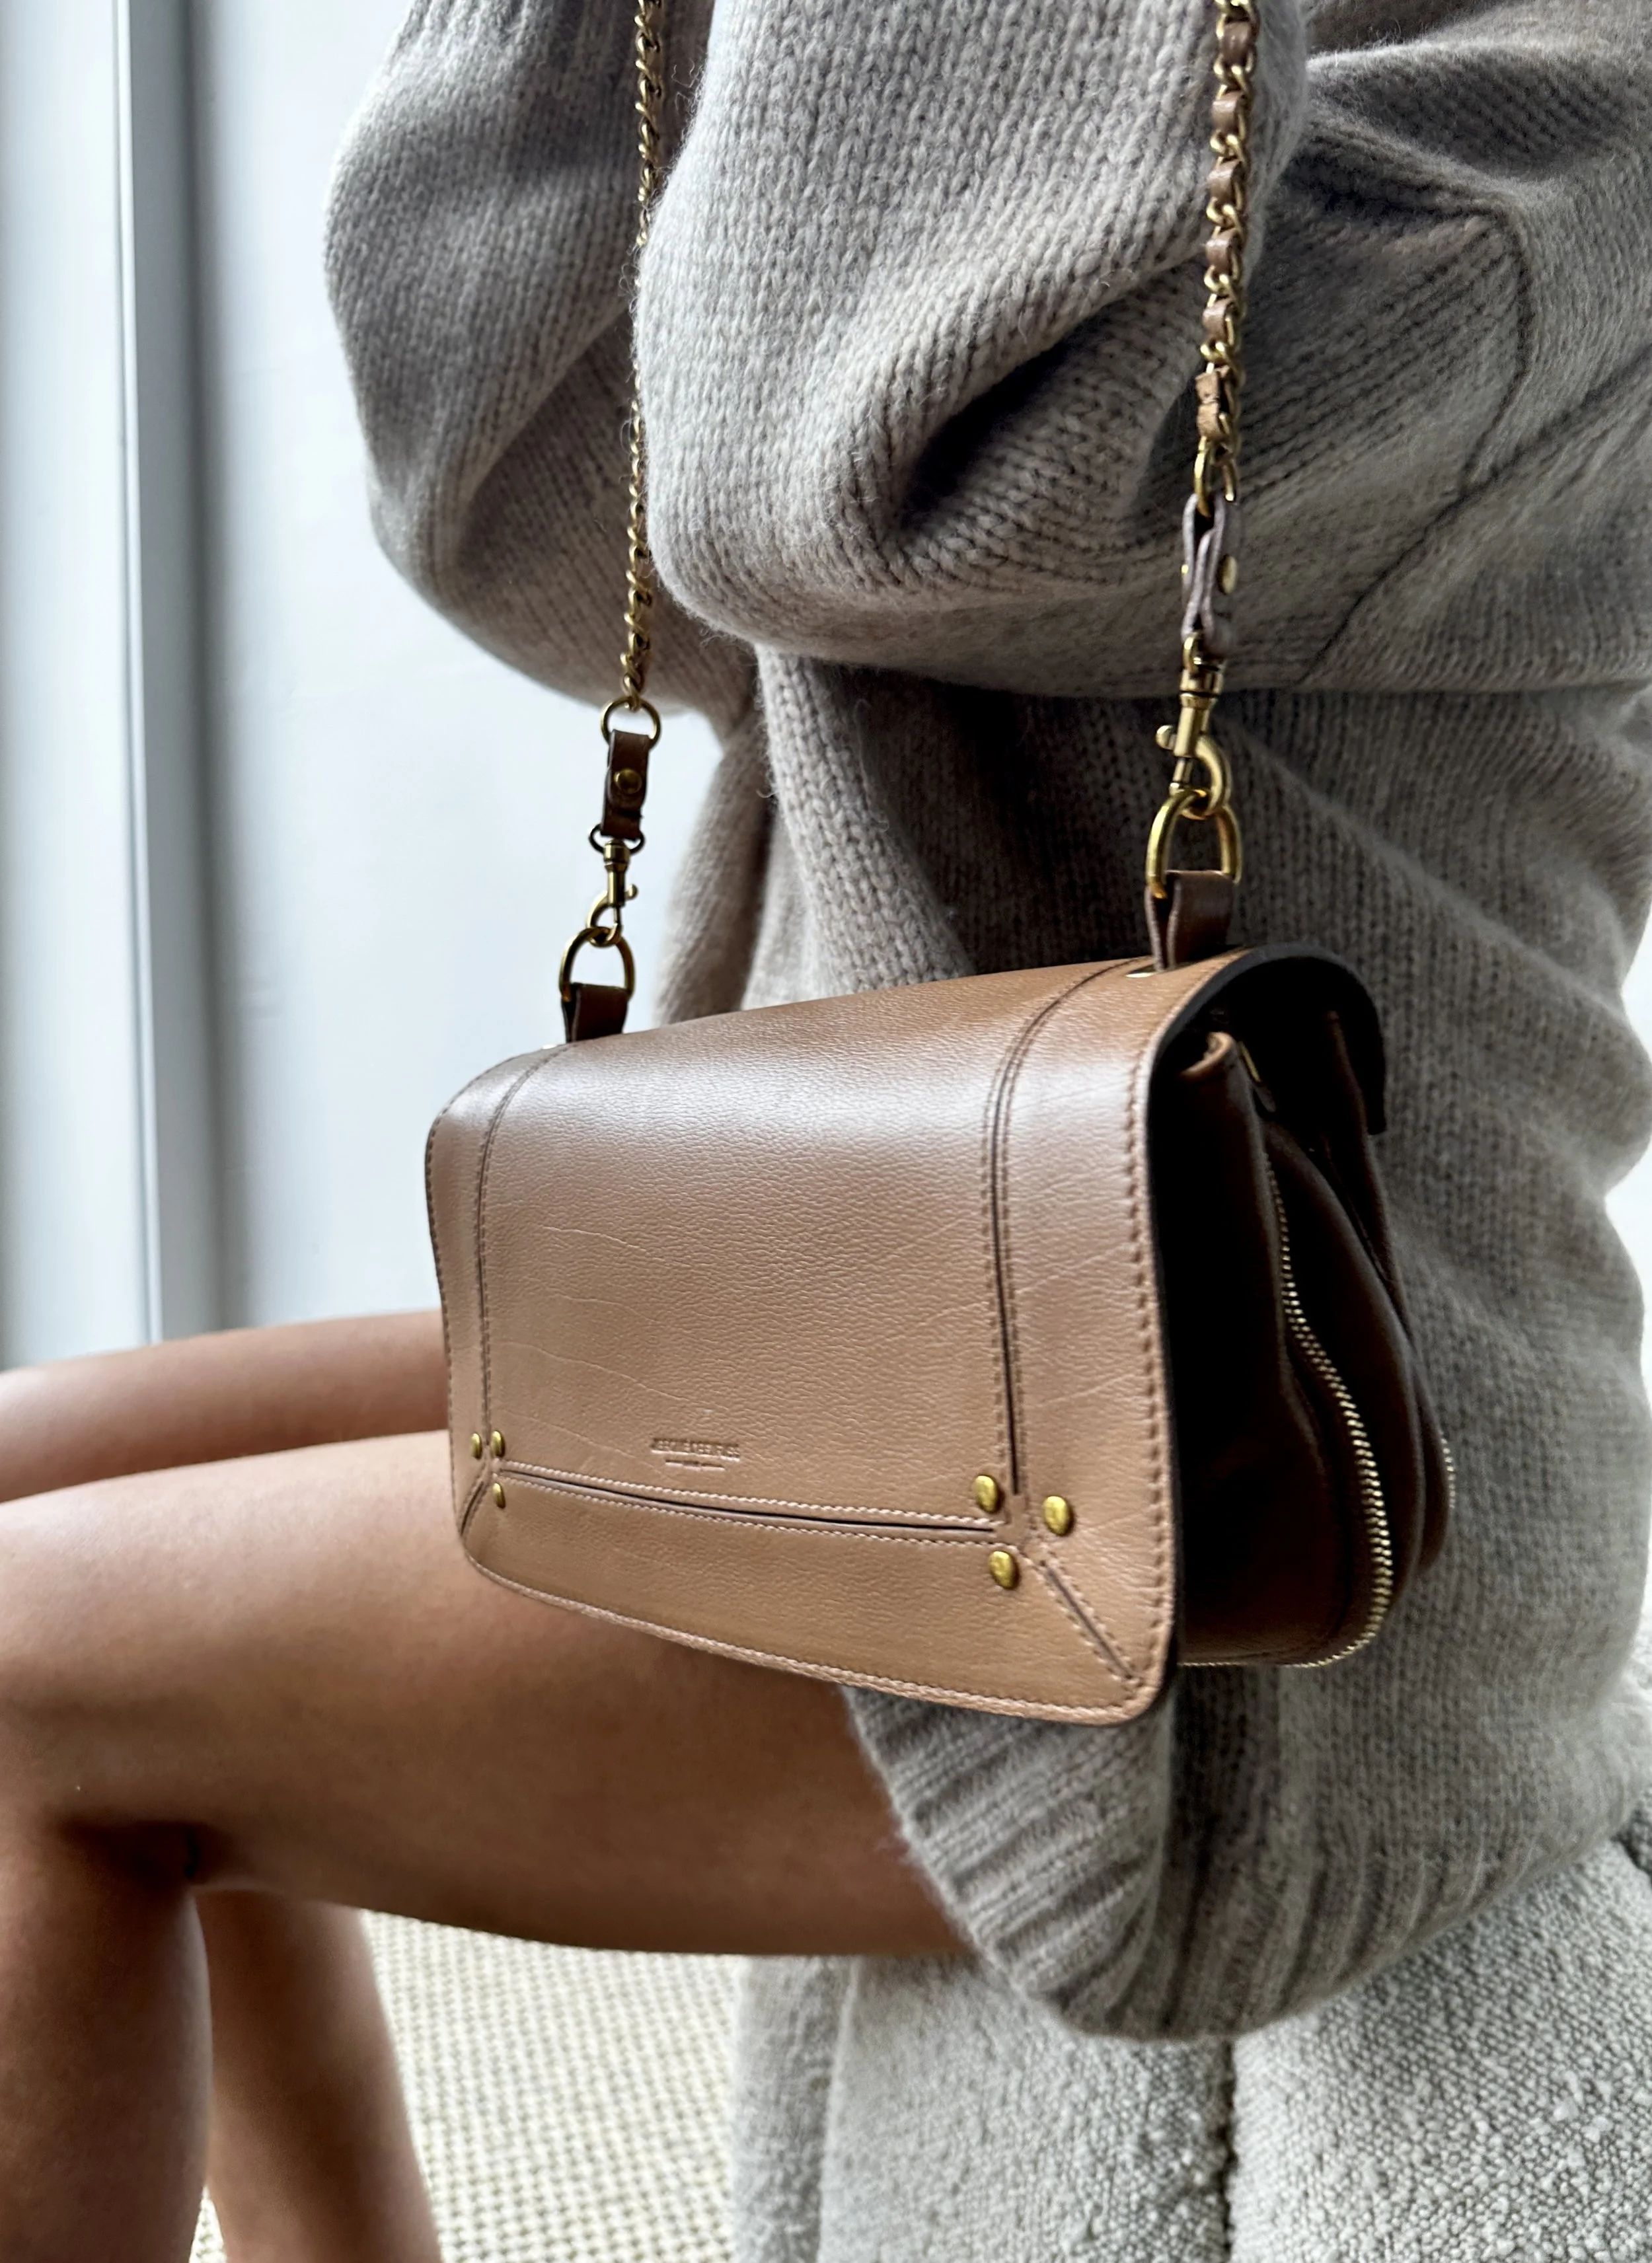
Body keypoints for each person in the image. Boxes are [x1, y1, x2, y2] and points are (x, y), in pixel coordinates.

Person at [2, 0, 1651, 2256]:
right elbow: (540, 500)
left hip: (1242, 1482)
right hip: (886, 1310)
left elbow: (868, 490)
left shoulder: (1567, 159)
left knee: (15, 1679)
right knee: (33, 1470)